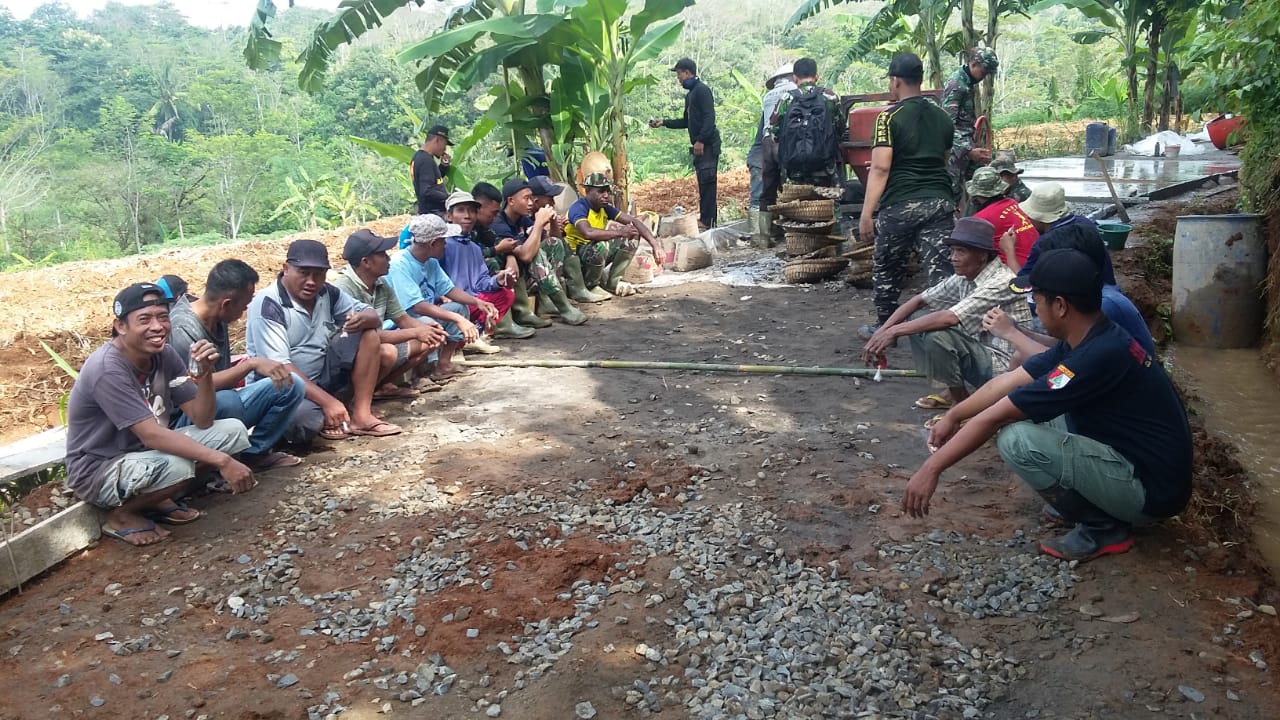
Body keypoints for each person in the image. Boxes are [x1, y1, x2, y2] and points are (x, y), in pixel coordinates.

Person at [904, 248, 1193, 562]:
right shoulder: (1090, 337)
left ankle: (1103, 526)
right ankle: (1092, 502)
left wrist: (931, 469)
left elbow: (995, 417)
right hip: (1139, 462)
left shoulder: (1094, 357)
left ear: (1060, 305)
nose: (1035, 310)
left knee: (1016, 440)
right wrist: (955, 414)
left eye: (1037, 301)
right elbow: (1011, 380)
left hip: (1151, 493)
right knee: (1021, 415)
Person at [65, 282, 254, 546]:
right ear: (121, 326)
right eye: (144, 319)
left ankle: (157, 497)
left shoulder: (163, 354)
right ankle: (122, 515)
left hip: (143, 456)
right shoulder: (107, 368)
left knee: (232, 430)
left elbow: (202, 418)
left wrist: (205, 373)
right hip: (99, 469)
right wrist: (222, 461)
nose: (157, 327)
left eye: (163, 317)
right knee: (179, 465)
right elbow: (151, 435)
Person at [862, 217, 1031, 414]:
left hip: (1007, 366)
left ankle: (962, 404)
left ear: (983, 255)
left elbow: (949, 318)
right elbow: (919, 299)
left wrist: (894, 332)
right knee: (919, 318)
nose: (953, 257)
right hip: (983, 349)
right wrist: (883, 331)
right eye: (952, 251)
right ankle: (955, 392)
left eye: (961, 251)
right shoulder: (967, 275)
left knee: (937, 336)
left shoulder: (1000, 280)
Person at [246, 239, 402, 443]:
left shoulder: (328, 292)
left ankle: (361, 416)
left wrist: (363, 318)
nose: (311, 281)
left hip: (322, 373)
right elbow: (281, 368)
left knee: (369, 333)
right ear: (286, 269)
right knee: (304, 422)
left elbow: (371, 315)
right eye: (304, 272)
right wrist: (328, 402)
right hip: (283, 387)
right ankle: (330, 409)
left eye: (319, 274)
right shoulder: (268, 304)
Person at [168, 259, 306, 472]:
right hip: (189, 417)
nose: (245, 310)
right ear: (226, 303)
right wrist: (250, 365)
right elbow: (194, 387)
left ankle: (254, 454)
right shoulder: (181, 329)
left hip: (220, 404)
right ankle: (214, 467)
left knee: (291, 383)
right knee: (227, 399)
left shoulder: (218, 318)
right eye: (244, 304)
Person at [858, 53, 956, 338]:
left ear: (895, 80)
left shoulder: (887, 117)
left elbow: (880, 167)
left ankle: (885, 326)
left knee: (888, 266)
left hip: (900, 203)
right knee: (941, 270)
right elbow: (943, 159)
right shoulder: (942, 116)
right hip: (939, 201)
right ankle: (946, 329)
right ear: (921, 79)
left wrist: (867, 214)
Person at [983, 230, 1156, 364]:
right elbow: (1063, 349)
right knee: (1021, 357)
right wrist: (1020, 331)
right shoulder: (1096, 295)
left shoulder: (1102, 307)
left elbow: (1064, 365)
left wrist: (1011, 333)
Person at [331, 228, 448, 397]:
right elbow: (369, 338)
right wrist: (417, 331)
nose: (388, 258)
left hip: (375, 344)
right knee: (387, 352)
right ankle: (356, 400)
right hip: (348, 356)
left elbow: (402, 318)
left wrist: (427, 328)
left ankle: (382, 387)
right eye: (382, 255)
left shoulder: (381, 284)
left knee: (432, 339)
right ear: (366, 262)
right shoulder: (343, 288)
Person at [386, 214, 495, 379]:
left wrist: (478, 303)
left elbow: (449, 289)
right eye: (443, 241)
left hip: (421, 317)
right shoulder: (399, 264)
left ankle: (444, 365)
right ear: (433, 243)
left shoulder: (430, 262)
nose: (446, 244)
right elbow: (417, 306)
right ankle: (420, 375)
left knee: (459, 308)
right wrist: (458, 319)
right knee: (430, 323)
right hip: (399, 324)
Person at [490, 178, 587, 325]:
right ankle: (563, 308)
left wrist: (553, 221)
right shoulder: (499, 224)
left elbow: (555, 242)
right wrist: (539, 224)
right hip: (511, 279)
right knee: (536, 254)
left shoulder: (522, 220)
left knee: (553, 244)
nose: (531, 202)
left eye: (531, 198)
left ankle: (547, 302)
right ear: (511, 201)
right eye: (526, 198)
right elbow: (526, 255)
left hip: (528, 276)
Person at [564, 172, 665, 299]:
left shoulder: (604, 208)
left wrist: (656, 246)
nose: (606, 195)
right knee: (601, 244)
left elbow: (635, 222)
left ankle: (614, 281)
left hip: (593, 255)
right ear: (587, 191)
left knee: (633, 234)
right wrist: (620, 232)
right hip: (576, 260)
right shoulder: (579, 208)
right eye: (601, 191)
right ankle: (591, 285)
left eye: (607, 191)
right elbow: (588, 233)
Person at [441, 190, 525, 341]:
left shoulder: (473, 248)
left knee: (507, 293)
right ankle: (458, 340)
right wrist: (441, 295)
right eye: (461, 210)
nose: (467, 216)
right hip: (449, 303)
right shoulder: (441, 245)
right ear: (449, 216)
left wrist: (498, 280)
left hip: (471, 301)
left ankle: (474, 336)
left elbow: (481, 282)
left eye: (472, 211)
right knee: (457, 306)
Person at [649, 58, 720, 231]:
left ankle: (709, 221)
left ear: (688, 72)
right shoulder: (690, 95)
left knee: (708, 182)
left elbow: (710, 117)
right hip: (700, 145)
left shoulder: (702, 91)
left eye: (679, 74)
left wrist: (701, 140)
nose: (678, 78)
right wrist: (664, 122)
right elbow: (685, 121)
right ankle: (706, 219)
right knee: (703, 183)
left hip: (708, 144)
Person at [769, 57, 845, 188]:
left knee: (795, 204)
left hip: (794, 170)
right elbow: (840, 128)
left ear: (795, 77)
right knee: (828, 204)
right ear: (816, 76)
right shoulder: (829, 97)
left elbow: (774, 133)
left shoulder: (786, 99)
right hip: (825, 168)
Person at [1012, 181, 1109, 277]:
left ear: (1040, 218)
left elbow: (1024, 281)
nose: (1028, 218)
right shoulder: (1086, 223)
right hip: (1100, 283)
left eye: (1029, 216)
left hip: (1073, 290)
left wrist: (1009, 250)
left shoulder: (1043, 244)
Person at [941, 47, 999, 204]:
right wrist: (968, 151)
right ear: (974, 64)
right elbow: (947, 125)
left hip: (968, 147)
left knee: (984, 187)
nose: (984, 76)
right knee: (952, 195)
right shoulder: (956, 85)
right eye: (983, 72)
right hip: (956, 152)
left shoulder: (968, 83)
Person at [967, 167, 1038, 270]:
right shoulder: (1012, 202)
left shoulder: (980, 219)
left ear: (976, 193)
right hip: (1036, 262)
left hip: (1015, 268)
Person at [751, 63, 796, 209]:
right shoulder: (794, 91)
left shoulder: (768, 96)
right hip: (785, 142)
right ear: (794, 77)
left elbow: (766, 125)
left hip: (766, 144)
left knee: (768, 190)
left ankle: (764, 227)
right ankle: (789, 223)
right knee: (789, 189)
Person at [411, 125, 453, 216]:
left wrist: (443, 166)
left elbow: (432, 181)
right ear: (437, 140)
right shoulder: (425, 160)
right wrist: (451, 197)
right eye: (444, 145)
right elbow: (427, 191)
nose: (444, 149)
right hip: (433, 214)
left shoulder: (420, 157)